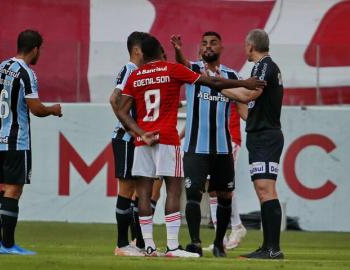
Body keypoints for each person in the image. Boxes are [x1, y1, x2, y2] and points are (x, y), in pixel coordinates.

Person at [117, 34, 265, 257]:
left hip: (143, 140)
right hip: (167, 137)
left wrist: (140, 133)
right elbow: (212, 82)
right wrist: (245, 83)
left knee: (144, 194)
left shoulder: (136, 75)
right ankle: (173, 247)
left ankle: (146, 246)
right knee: (174, 190)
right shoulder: (171, 70)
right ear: (159, 51)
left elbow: (120, 109)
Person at [171, 32, 248, 257]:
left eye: (213, 43)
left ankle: (218, 244)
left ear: (221, 48)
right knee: (194, 194)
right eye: (204, 43)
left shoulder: (231, 75)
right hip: (195, 148)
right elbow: (182, 62)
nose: (208, 46)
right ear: (199, 49)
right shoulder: (193, 70)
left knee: (224, 196)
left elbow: (244, 104)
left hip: (223, 148)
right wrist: (177, 50)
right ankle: (195, 243)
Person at [0, 30, 62, 255]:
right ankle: (8, 245)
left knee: (5, 188)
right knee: (14, 190)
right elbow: (36, 109)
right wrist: (53, 110)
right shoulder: (27, 73)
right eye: (41, 49)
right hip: (16, 140)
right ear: (35, 48)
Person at [238, 29, 285, 259]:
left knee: (266, 190)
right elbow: (249, 112)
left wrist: (216, 85)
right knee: (262, 190)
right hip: (259, 135)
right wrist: (233, 96)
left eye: (245, 45)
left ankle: (273, 249)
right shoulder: (260, 68)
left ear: (251, 45)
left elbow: (248, 96)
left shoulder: (264, 66)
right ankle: (267, 246)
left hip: (266, 137)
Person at [109, 31, 151, 257]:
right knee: (126, 190)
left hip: (132, 139)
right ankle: (121, 244)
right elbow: (113, 99)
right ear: (137, 50)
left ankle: (136, 243)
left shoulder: (137, 72)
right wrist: (129, 128)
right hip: (125, 139)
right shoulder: (130, 69)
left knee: (135, 191)